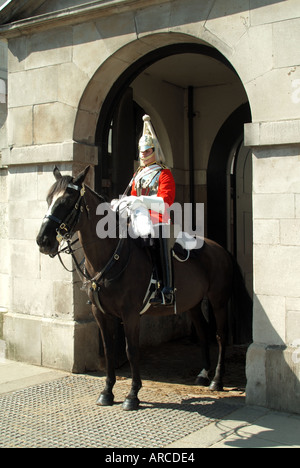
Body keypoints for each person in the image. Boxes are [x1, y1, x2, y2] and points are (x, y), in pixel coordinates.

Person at [130, 115, 176, 305]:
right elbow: (133, 195)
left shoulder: (164, 173)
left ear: (154, 151)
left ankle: (165, 287)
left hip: (158, 219)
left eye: (147, 151)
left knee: (157, 244)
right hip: (138, 218)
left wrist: (142, 200)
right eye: (141, 151)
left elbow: (166, 200)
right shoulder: (138, 174)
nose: (143, 155)